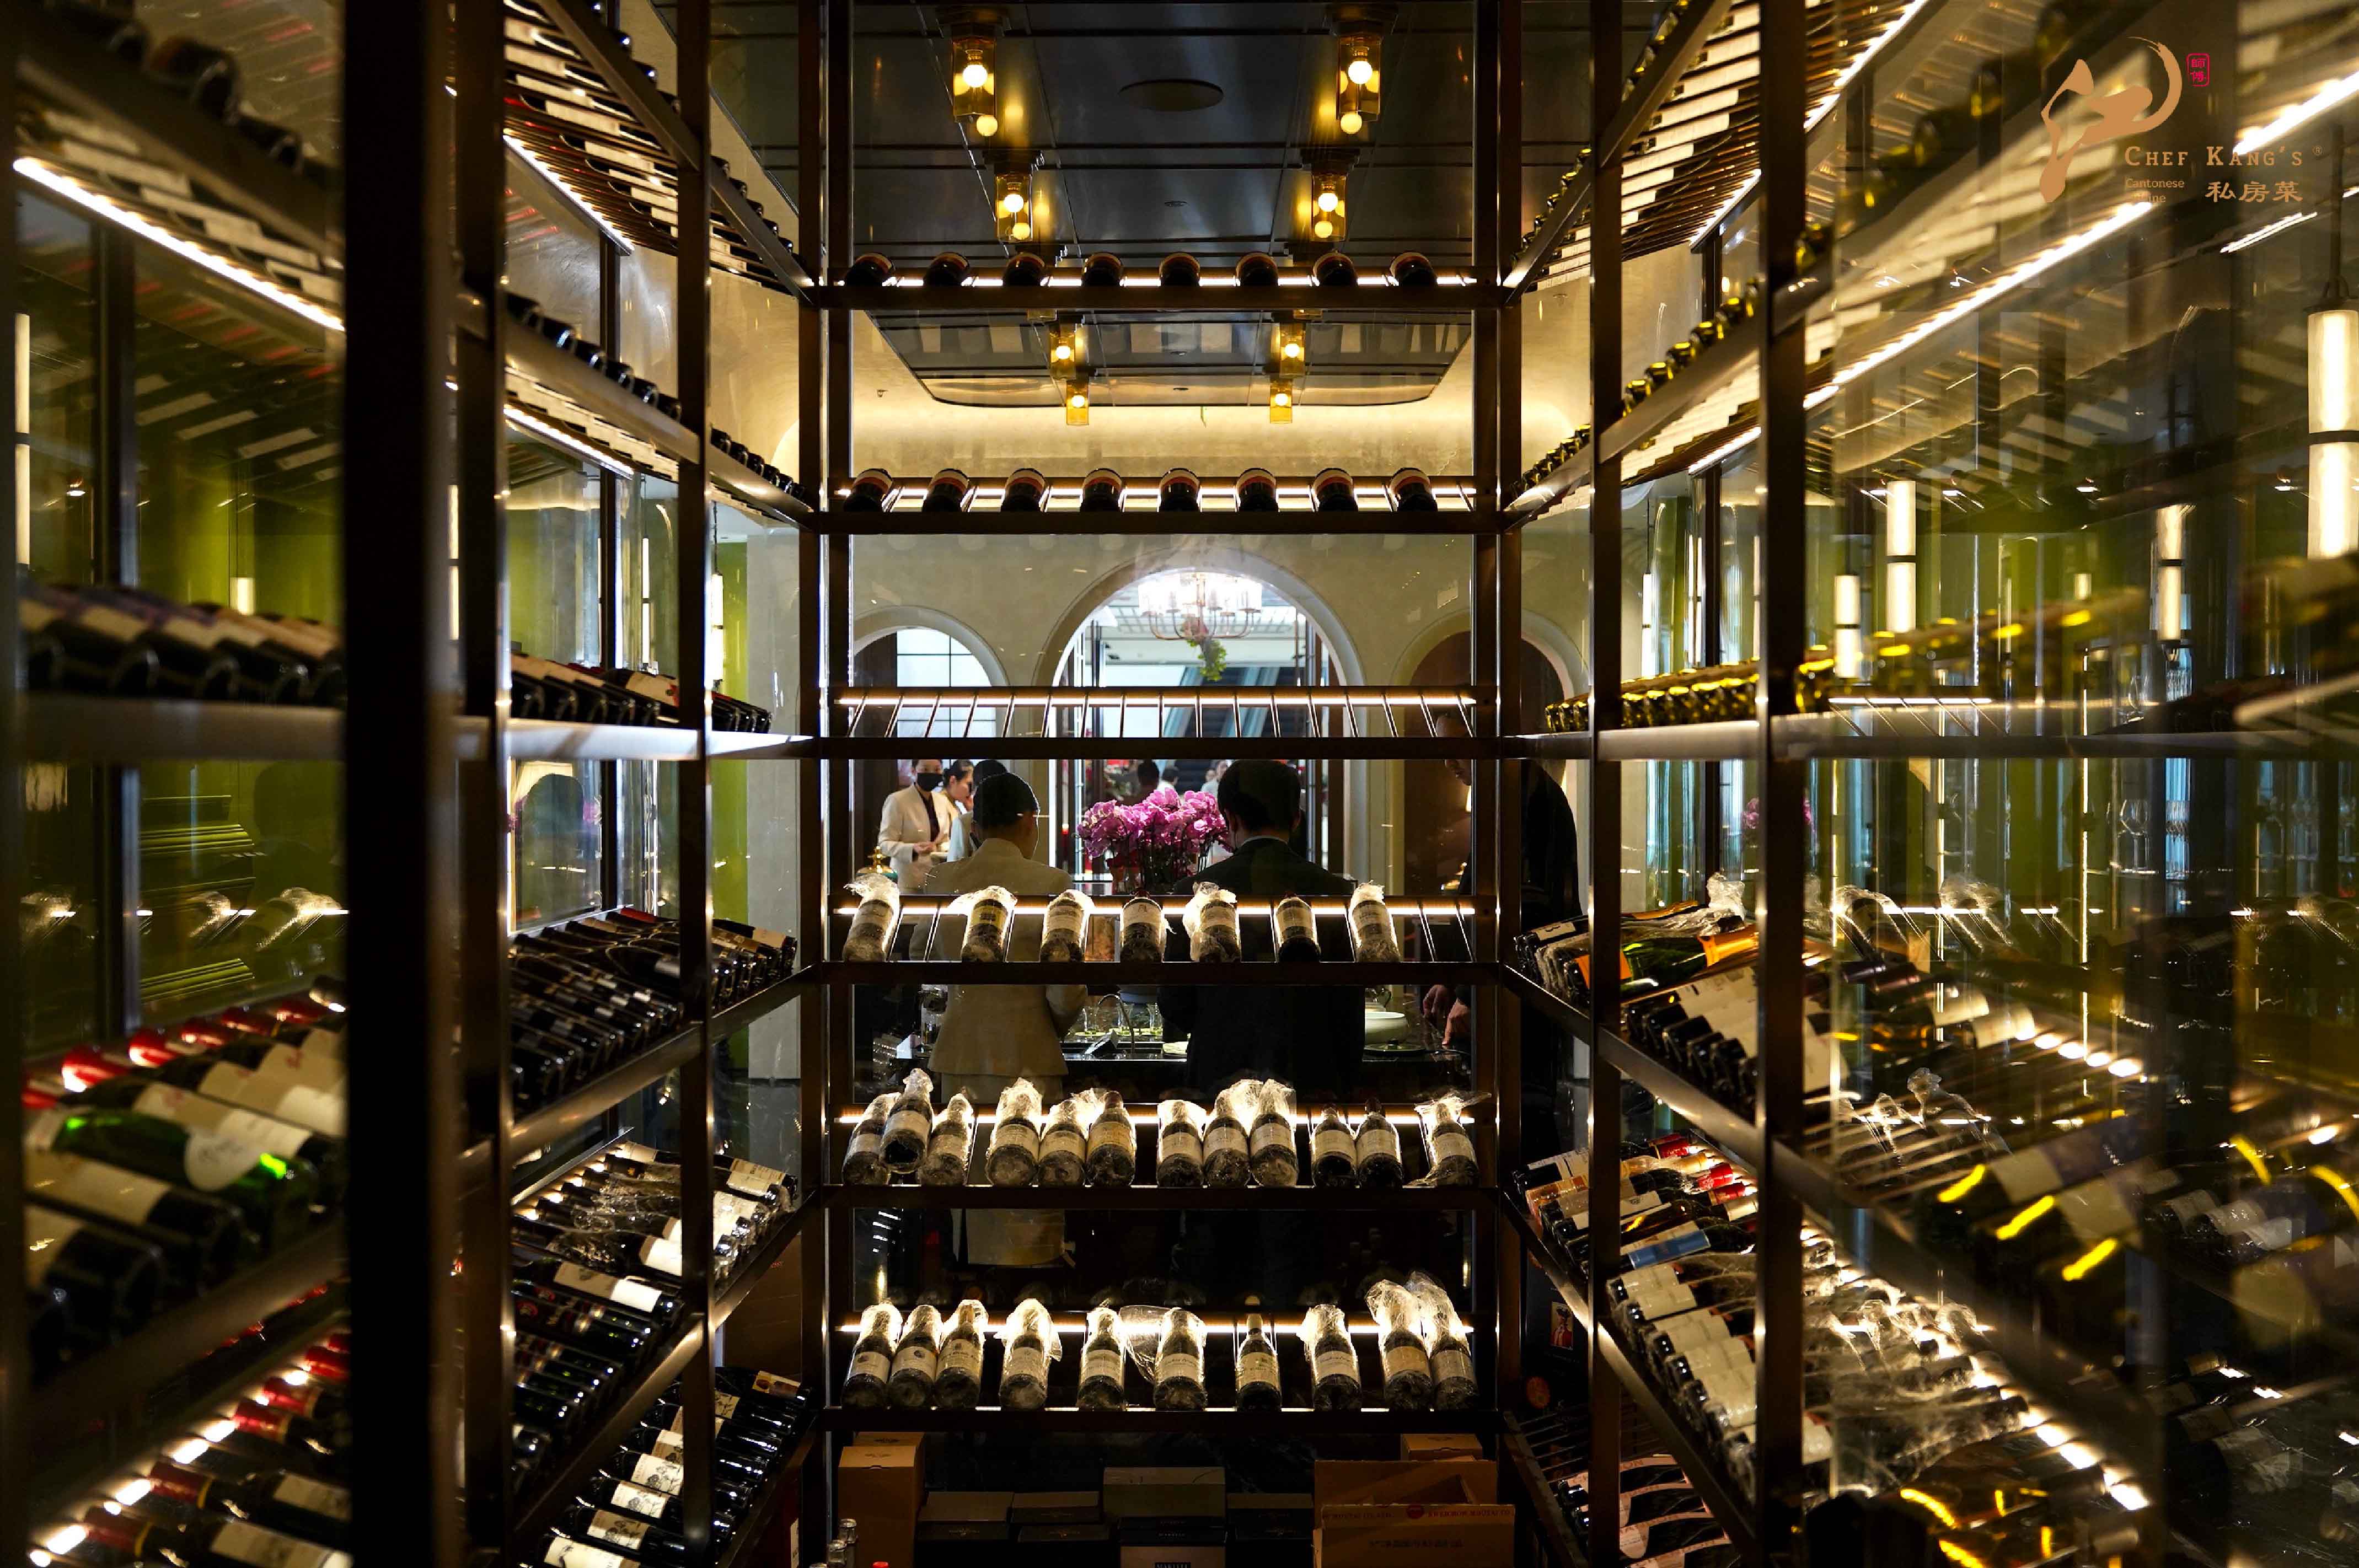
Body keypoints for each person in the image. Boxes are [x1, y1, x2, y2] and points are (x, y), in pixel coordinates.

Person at [924, 774, 1084, 1265]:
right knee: (1025, 1189)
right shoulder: (1051, 884)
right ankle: (1025, 1290)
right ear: (1029, 821)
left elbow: (920, 956)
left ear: (976, 826)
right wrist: (1055, 1026)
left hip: (958, 1053)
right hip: (1030, 1056)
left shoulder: (943, 881)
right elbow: (1064, 989)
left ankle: (970, 1284)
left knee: (965, 1179)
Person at [1160, 759, 1360, 1098]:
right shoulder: (1337, 893)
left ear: (1231, 819)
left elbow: (1175, 1004)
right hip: (1311, 1075)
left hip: (1218, 1074)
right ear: (1296, 819)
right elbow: (1348, 1010)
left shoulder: (1191, 892)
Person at [877, 757, 951, 890]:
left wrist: (939, 847)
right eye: (925, 770)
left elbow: (946, 839)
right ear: (913, 771)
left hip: (938, 879)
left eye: (937, 770)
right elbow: (884, 844)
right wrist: (912, 849)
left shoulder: (942, 801)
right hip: (908, 881)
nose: (931, 774)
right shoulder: (897, 800)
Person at [939, 760, 977, 860]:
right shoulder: (940, 803)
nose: (972, 791)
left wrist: (972, 812)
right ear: (953, 781)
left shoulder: (953, 805)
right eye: (969, 785)